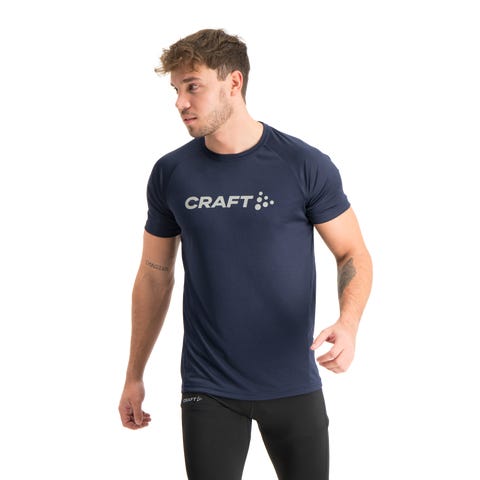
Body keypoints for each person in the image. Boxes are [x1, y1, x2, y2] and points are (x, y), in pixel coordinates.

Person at [118, 28, 373, 480]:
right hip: (208, 387)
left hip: (293, 382)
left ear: (233, 82)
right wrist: (134, 374)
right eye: (176, 90)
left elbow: (352, 251)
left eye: (192, 86)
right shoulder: (171, 173)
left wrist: (348, 324)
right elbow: (154, 273)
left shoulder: (303, 164)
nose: (180, 102)